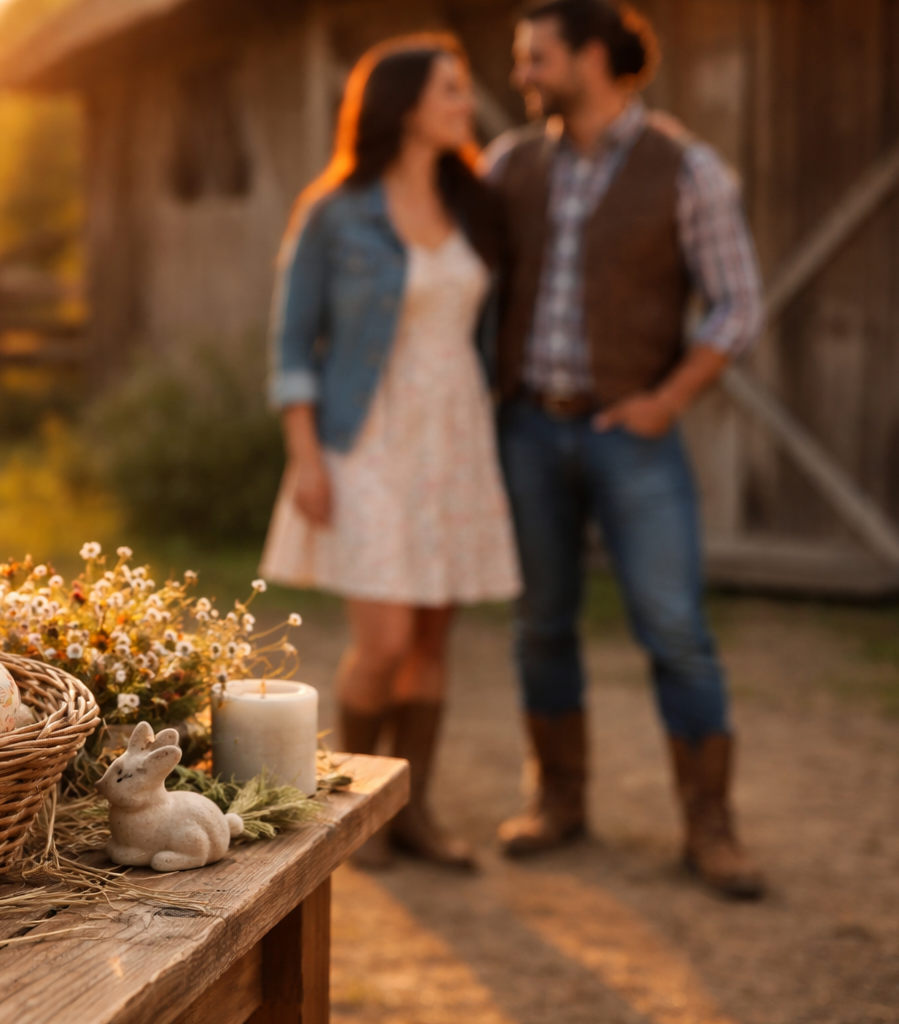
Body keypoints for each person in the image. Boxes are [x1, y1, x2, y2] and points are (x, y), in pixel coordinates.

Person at [483, 0, 766, 898]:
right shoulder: (509, 163)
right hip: (528, 426)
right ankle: (558, 799)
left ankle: (710, 826)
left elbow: (738, 305)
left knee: (676, 629)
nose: (522, 75)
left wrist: (667, 400)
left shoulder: (688, 169)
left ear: (593, 59)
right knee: (541, 623)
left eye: (537, 57)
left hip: (631, 435)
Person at [260, 35, 521, 870]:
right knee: (384, 640)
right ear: (404, 106)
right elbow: (292, 344)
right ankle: (354, 808)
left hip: (457, 434)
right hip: (365, 434)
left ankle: (415, 811)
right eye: (451, 89)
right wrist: (306, 456)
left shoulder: (475, 202)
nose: (465, 104)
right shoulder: (334, 211)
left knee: (432, 642)